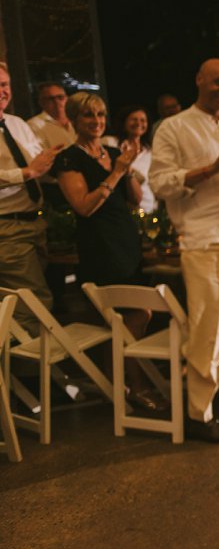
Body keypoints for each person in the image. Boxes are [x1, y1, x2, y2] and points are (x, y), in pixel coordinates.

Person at [149, 58, 219, 443]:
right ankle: (199, 413)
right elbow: (160, 184)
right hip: (205, 239)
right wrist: (213, 167)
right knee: (210, 331)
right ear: (199, 80)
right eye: (217, 82)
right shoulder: (174, 128)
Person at [51, 92, 167, 412]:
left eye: (101, 115)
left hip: (126, 240)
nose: (97, 122)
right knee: (137, 314)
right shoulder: (69, 159)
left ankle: (115, 387)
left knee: (116, 322)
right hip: (101, 246)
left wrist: (126, 169)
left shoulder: (114, 152)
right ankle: (138, 387)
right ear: (74, 120)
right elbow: (83, 207)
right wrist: (115, 172)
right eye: (89, 116)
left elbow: (134, 199)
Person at [0, 62, 64, 330]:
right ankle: (33, 359)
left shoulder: (16, 124)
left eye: (4, 84)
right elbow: (31, 170)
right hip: (7, 228)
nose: (2, 91)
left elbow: (40, 166)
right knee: (34, 305)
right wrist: (27, 172)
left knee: (22, 306)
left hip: (35, 222)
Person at [103, 104, 156, 214]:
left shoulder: (150, 152)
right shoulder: (109, 143)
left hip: (148, 209)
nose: (138, 123)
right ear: (124, 122)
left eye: (143, 120)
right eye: (134, 119)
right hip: (120, 210)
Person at [27, 82, 76, 151]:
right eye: (51, 99)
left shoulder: (77, 119)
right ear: (41, 102)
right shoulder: (34, 125)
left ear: (67, 98)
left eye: (60, 97)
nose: (57, 101)